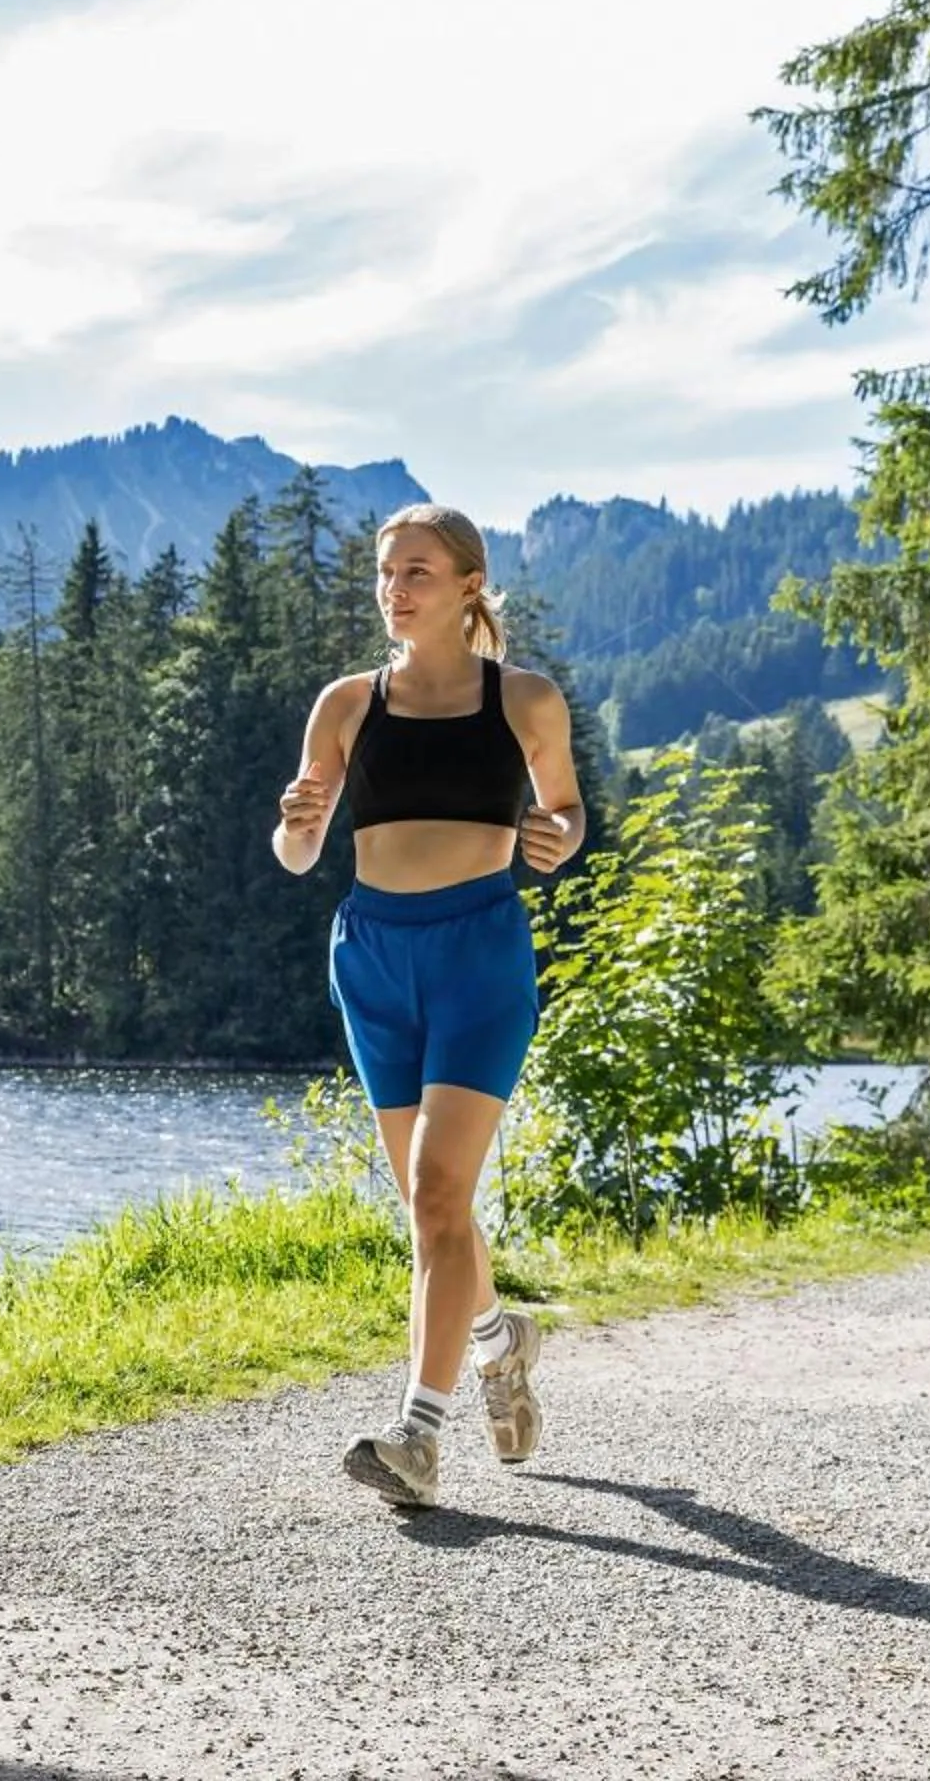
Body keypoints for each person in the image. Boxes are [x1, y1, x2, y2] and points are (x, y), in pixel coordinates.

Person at [271, 502, 584, 1508]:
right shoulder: (347, 704)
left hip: (479, 953)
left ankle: (417, 1433)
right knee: (429, 1204)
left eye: (415, 571)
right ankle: (500, 1341)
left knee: (438, 1189)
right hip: (373, 954)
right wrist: (298, 821)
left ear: (465, 585)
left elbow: (568, 809)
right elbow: (297, 850)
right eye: (385, 573)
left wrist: (558, 834)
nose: (394, 588)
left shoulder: (525, 698)